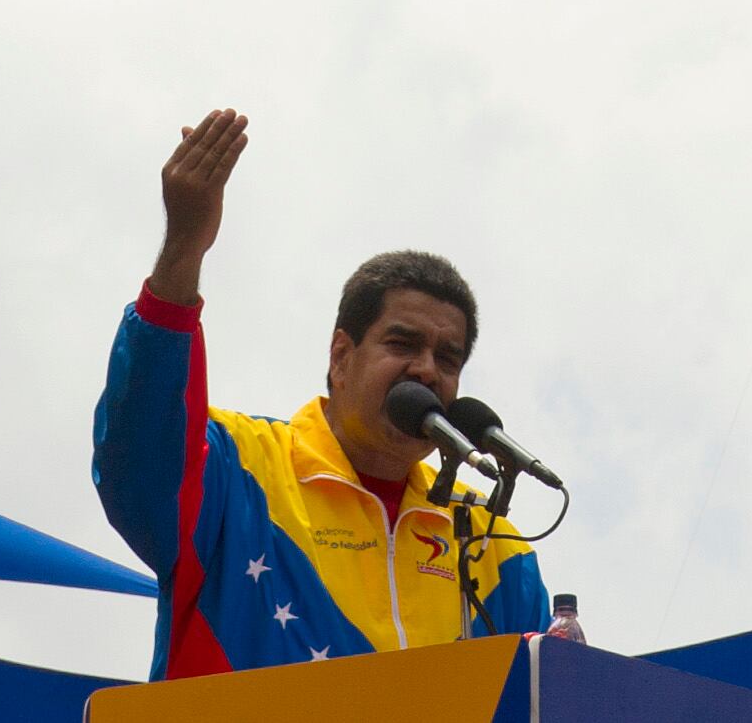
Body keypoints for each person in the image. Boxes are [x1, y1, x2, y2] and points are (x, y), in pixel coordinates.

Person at [93, 106, 551, 677]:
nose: (427, 370)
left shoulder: (492, 546)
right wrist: (184, 250)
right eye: (402, 343)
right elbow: (136, 461)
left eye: (448, 358)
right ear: (341, 356)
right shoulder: (236, 467)